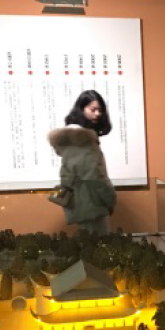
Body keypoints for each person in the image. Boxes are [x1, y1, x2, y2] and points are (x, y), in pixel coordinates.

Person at [47, 89, 116, 235]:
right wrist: (110, 199)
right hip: (92, 203)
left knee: (89, 241)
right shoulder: (82, 140)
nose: (98, 114)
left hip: (80, 203)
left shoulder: (72, 139)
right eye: (93, 109)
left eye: (100, 110)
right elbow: (96, 177)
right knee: (100, 243)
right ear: (81, 109)